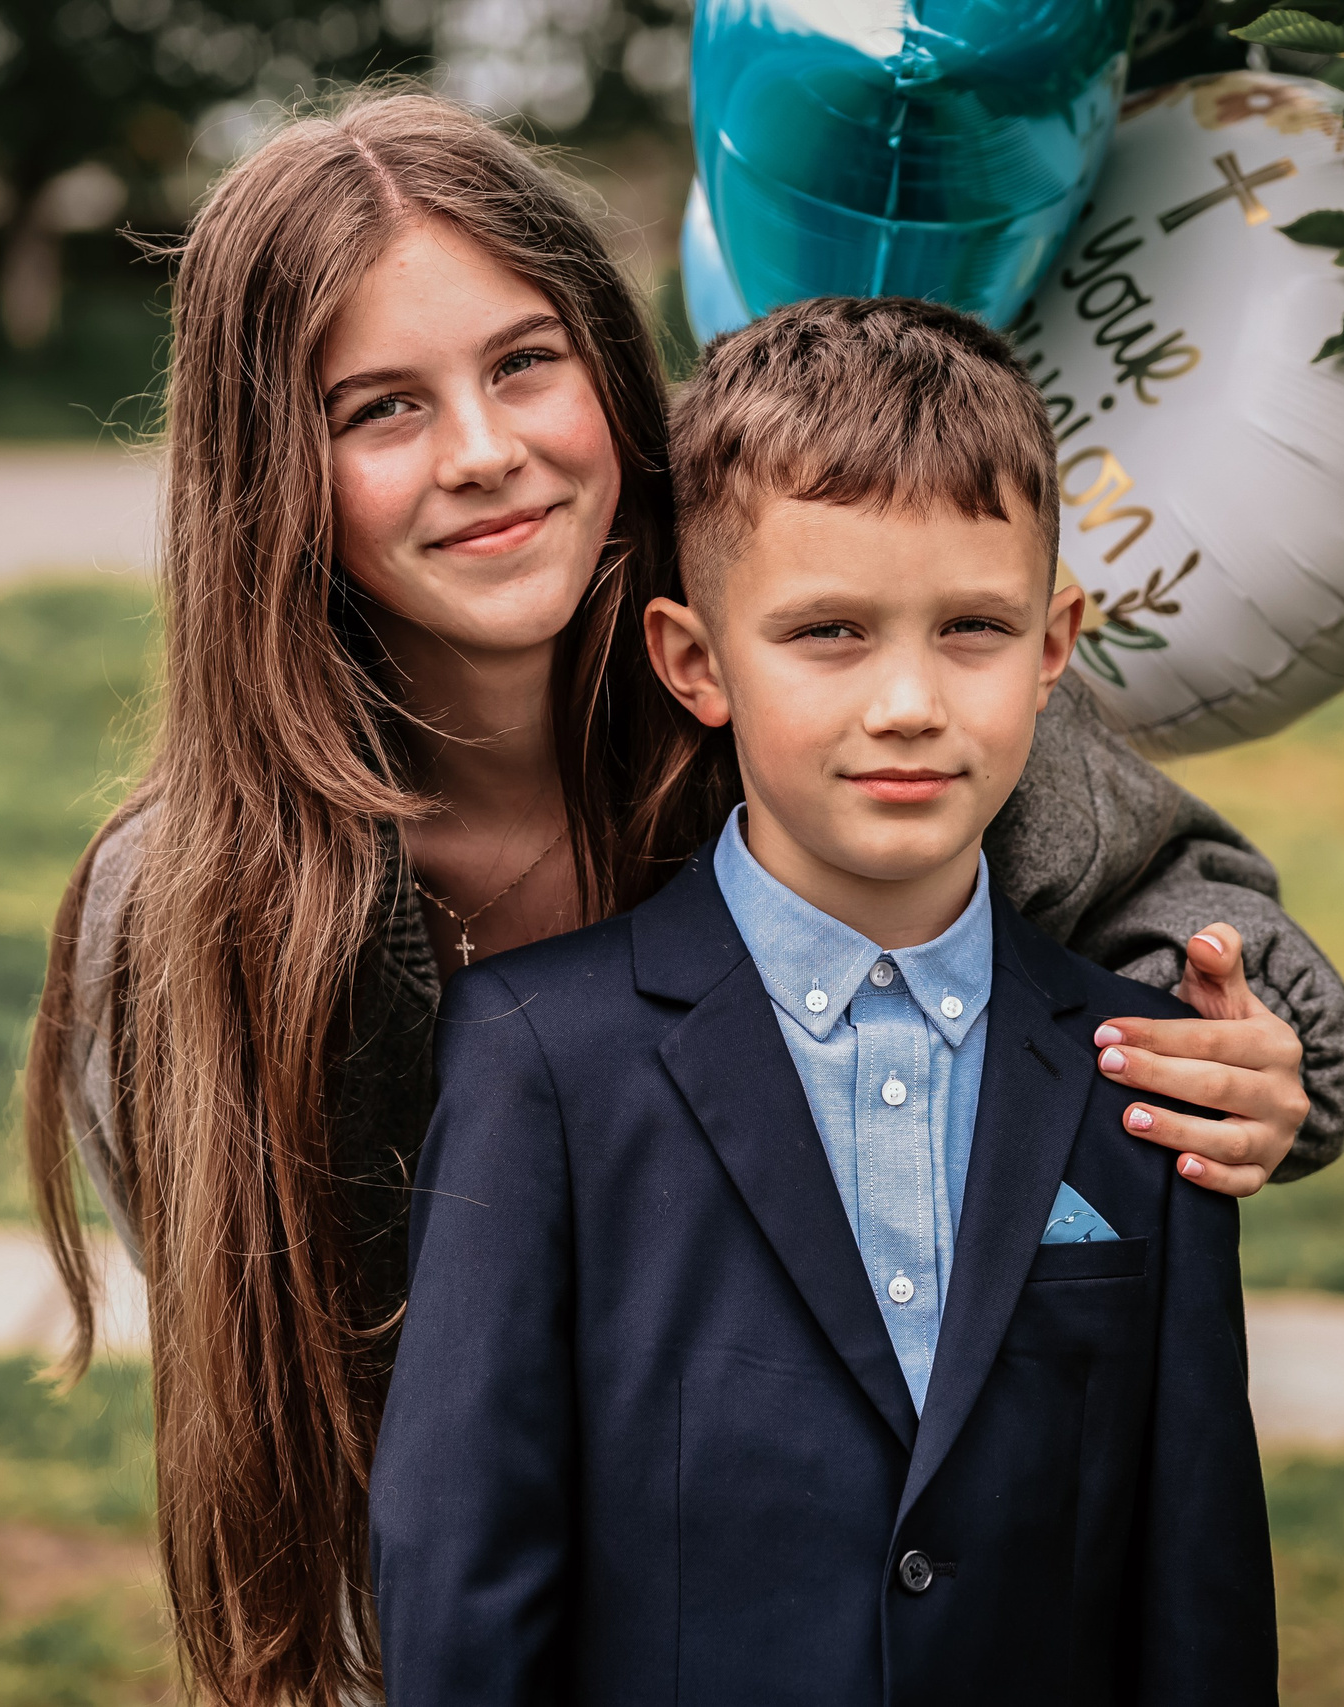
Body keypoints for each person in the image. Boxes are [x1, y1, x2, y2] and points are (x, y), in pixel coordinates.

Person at [22, 91, 1338, 1707]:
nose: (485, 450)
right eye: (380, 408)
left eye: (523, 363)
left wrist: (1255, 1054)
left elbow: (1169, 888)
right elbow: (321, 1423)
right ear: (267, 478)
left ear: (607, 364)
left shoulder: (820, 663)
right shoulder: (197, 917)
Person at [372, 296, 1276, 1705]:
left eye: (971, 628)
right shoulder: (540, 1060)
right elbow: (465, 1578)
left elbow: (1200, 1590)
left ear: (1053, 649)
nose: (909, 701)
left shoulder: (1142, 1071)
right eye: (830, 633)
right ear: (697, 663)